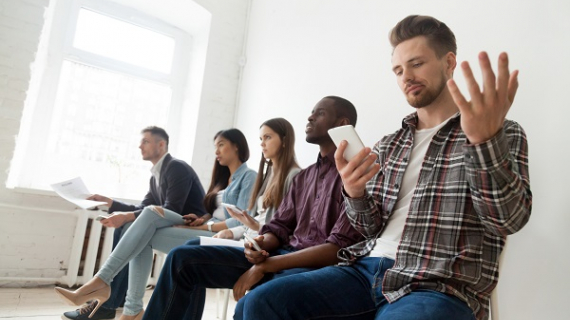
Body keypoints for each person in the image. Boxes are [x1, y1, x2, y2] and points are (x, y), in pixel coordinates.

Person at [237, 15, 532, 320]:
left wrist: (483, 143)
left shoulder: (499, 131)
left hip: (437, 284)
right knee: (262, 303)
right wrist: (354, 194)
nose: (406, 77)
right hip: (362, 271)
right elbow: (368, 228)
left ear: (449, 62)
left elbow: (507, 220)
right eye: (398, 70)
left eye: (416, 64)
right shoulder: (389, 145)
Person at [141, 96, 364, 319]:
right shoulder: (303, 178)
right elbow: (278, 227)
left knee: (250, 304)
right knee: (181, 259)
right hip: (279, 255)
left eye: (320, 113)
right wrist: (259, 244)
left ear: (342, 124)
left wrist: (266, 266)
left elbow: (338, 249)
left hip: (313, 269)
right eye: (312, 111)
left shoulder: (358, 178)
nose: (310, 116)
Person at [55, 128, 256, 320]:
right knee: (140, 232)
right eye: (215, 146)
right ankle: (131, 310)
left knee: (149, 214)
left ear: (237, 146)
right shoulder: (220, 180)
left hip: (223, 237)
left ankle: (101, 282)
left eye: (221, 145)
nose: (216, 151)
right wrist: (202, 219)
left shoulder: (248, 177)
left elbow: (240, 219)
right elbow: (210, 213)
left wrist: (204, 226)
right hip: (200, 228)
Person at [216, 118, 301, 241]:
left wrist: (252, 226)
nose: (262, 143)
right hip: (247, 239)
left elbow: (285, 229)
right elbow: (258, 219)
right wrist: (232, 231)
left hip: (261, 244)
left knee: (185, 252)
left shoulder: (295, 176)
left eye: (268, 137)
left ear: (284, 141)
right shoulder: (269, 174)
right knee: (194, 244)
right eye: (261, 139)